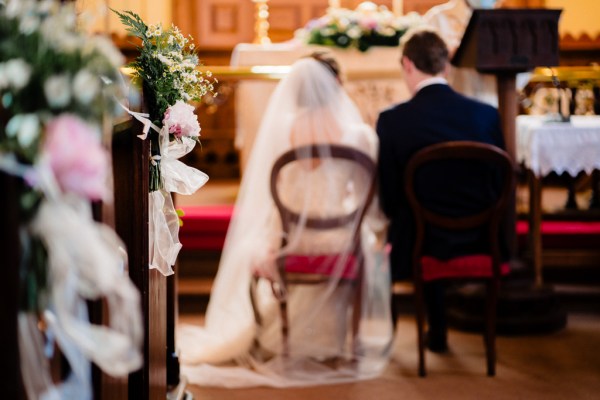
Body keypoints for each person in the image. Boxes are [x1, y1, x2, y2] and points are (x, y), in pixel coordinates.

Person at [177, 53, 393, 387]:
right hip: (340, 241)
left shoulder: (280, 132)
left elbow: (271, 197)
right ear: (336, 86)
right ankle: (337, 342)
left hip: (289, 239)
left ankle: (285, 338)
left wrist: (274, 235)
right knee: (364, 240)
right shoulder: (359, 135)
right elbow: (368, 201)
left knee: (253, 248)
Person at [376, 27, 507, 353]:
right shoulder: (486, 114)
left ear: (407, 64)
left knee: (412, 218)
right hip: (481, 234)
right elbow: (500, 183)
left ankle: (435, 331)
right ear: (446, 66)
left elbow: (389, 194)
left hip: (418, 241)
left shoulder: (393, 121)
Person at [423, 0, 502, 107]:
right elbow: (425, 70)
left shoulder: (502, 20)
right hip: (452, 106)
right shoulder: (436, 18)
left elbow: (518, 78)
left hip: (492, 106)